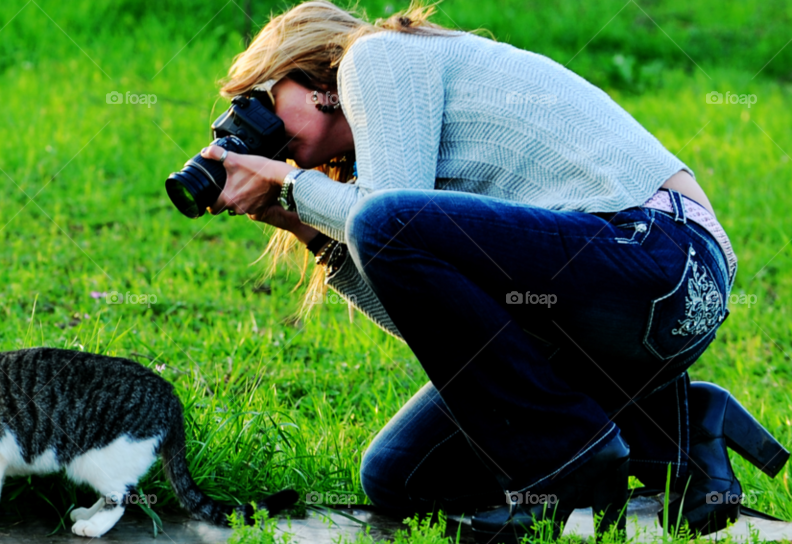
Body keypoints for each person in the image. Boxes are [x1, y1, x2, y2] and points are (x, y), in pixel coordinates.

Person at [198, 1, 788, 539]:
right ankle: (674, 430)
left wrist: (293, 184)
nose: (264, 139)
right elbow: (454, 332)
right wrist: (298, 221)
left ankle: (569, 458)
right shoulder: (391, 168)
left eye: (259, 104)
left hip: (661, 255)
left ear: (309, 74)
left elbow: (383, 216)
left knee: (383, 220)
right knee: (400, 476)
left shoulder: (374, 56)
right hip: (655, 311)